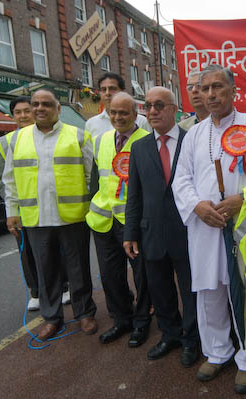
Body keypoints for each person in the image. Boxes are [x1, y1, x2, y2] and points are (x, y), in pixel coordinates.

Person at [172, 64, 246, 394]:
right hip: (204, 227)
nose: (211, 94)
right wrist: (197, 207)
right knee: (208, 291)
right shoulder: (193, 134)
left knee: (243, 291)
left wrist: (242, 200)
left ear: (234, 90)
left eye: (218, 87)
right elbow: (182, 179)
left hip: (244, 224)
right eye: (205, 89)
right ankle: (217, 352)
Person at [2, 88, 97, 341]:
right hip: (36, 217)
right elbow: (9, 180)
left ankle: (85, 313)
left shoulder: (78, 135)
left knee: (78, 268)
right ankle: (51, 318)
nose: (39, 108)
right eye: (35, 104)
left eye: (46, 104)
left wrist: (90, 210)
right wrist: (12, 212)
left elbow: (91, 176)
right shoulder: (17, 139)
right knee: (45, 271)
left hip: (73, 216)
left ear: (58, 108)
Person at [123, 87, 199, 366]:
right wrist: (130, 232)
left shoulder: (193, 141)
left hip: (188, 230)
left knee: (192, 289)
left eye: (158, 105)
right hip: (151, 231)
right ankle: (170, 334)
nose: (152, 111)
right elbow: (134, 194)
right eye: (147, 106)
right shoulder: (139, 147)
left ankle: (192, 339)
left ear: (174, 108)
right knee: (160, 288)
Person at [86, 92, 151, 345]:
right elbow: (96, 178)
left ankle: (142, 321)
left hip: (133, 222)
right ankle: (121, 319)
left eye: (124, 112)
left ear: (136, 115)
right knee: (110, 274)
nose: (117, 117)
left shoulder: (147, 140)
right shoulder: (101, 139)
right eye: (113, 112)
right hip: (103, 221)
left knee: (142, 274)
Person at [85, 72, 151, 138]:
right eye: (104, 90)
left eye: (112, 89)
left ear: (122, 91)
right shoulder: (91, 124)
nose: (107, 93)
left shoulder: (141, 121)